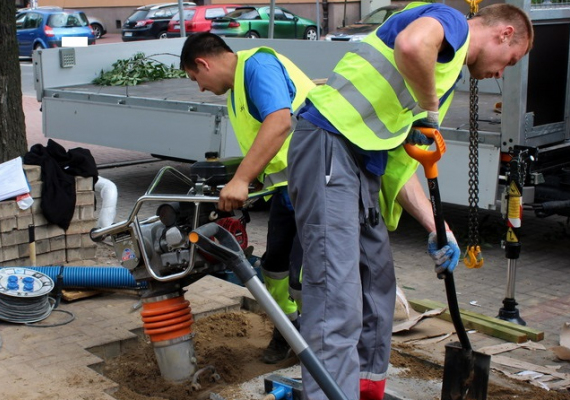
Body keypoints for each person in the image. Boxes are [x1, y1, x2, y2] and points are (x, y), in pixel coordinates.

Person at [287, 3, 534, 399]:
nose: (501, 72)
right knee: (337, 296)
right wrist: (430, 110)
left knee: (377, 284)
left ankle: (365, 387)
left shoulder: (443, 72)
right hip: (328, 144)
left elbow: (400, 169)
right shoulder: (451, 22)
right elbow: (410, 43)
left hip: (362, 163)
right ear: (504, 33)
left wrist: (439, 228)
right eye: (511, 60)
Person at [180, 33, 314, 364]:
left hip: (316, 180)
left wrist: (242, 179)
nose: (200, 88)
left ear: (203, 63)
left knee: (304, 275)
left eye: (196, 79)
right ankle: (289, 331)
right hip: (287, 189)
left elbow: (280, 122)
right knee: (274, 268)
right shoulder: (237, 89)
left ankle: (320, 348)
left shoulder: (258, 66)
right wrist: (244, 181)